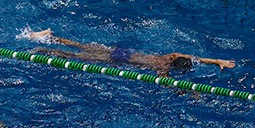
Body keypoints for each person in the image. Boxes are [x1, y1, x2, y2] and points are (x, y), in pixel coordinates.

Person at [21, 28, 235, 74]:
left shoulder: (174, 55)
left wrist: (217, 60)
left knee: (80, 45)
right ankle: (42, 49)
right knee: (75, 57)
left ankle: (48, 36)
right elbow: (170, 85)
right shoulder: (163, 68)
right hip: (116, 60)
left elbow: (198, 58)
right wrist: (191, 93)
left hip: (121, 51)